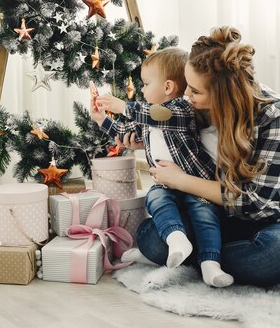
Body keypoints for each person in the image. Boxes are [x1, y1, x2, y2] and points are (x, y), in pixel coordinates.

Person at [115, 26, 280, 287]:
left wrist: (180, 180)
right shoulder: (196, 106)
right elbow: (166, 122)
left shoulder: (278, 115)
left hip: (270, 222)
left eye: (195, 91)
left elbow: (255, 202)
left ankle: (205, 257)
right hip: (211, 214)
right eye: (188, 87)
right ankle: (211, 258)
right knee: (151, 237)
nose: (187, 95)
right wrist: (145, 141)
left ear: (223, 93)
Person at [90, 48, 235, 287]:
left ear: (168, 87)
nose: (142, 90)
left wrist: (124, 106)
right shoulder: (147, 120)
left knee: (204, 216)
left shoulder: (181, 109)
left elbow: (160, 115)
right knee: (155, 199)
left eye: (146, 84)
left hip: (195, 184)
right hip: (165, 184)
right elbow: (126, 133)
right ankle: (176, 238)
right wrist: (101, 119)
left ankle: (211, 264)